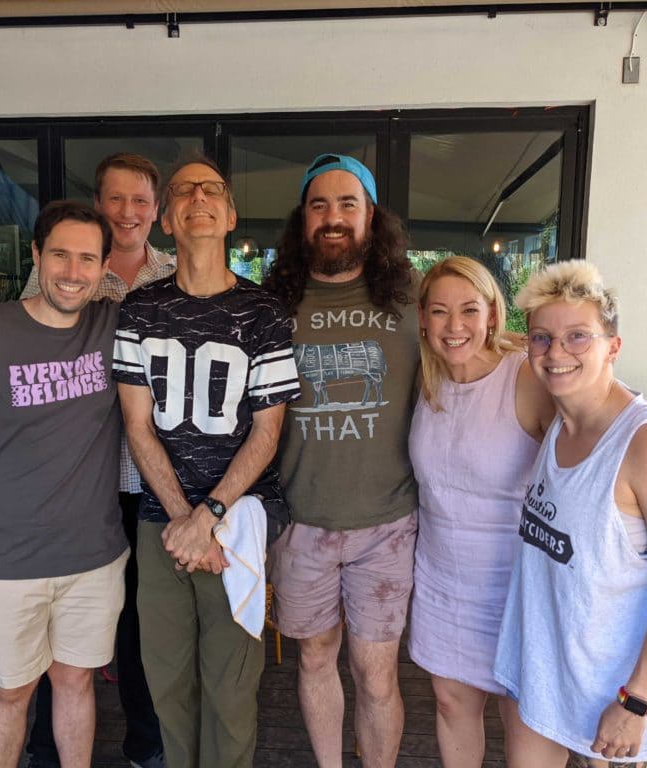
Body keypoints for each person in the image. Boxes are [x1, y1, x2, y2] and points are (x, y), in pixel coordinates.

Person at [0, 152, 172, 768]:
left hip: (95, 554)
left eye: (86, 259)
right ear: (35, 258)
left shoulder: (114, 324)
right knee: (9, 690)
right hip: (7, 558)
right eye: (60, 255)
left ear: (102, 270)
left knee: (75, 682)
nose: (73, 271)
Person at [113, 156, 300, 768]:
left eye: (212, 189)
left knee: (231, 686)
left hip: (239, 523)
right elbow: (137, 426)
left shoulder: (266, 313)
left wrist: (211, 515)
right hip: (159, 523)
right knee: (166, 682)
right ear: (166, 218)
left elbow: (268, 431)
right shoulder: (138, 312)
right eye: (184, 191)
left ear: (230, 215)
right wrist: (183, 521)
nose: (199, 197)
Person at [493, 260, 647, 767]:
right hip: (541, 675)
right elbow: (497, 340)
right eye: (542, 338)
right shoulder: (558, 415)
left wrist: (636, 702)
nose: (557, 353)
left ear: (613, 346)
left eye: (578, 337)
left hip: (615, 693)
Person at [263, 154, 421, 768]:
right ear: (302, 219)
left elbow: (493, 353)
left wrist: (640, 422)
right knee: (314, 658)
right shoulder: (273, 304)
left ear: (370, 215)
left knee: (377, 674)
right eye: (318, 205)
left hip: (387, 523)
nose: (333, 218)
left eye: (346, 204)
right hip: (301, 521)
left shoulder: (413, 300)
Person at [407, 255, 553, 767]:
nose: (455, 326)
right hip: (444, 580)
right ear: (422, 318)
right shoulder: (425, 379)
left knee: (526, 722)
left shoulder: (526, 377)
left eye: (469, 310)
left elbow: (600, 421)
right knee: (451, 704)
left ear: (493, 314)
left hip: (516, 585)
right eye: (441, 312)